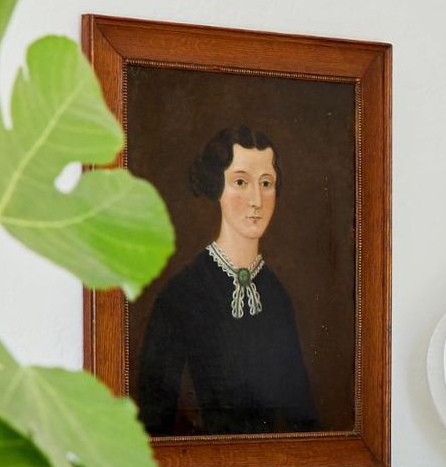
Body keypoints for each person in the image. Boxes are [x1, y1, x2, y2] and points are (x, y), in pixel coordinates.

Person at [135, 126, 318, 435]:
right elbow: (155, 421)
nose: (256, 200)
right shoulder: (181, 296)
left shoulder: (276, 297)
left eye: (266, 183)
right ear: (215, 187)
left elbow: (304, 419)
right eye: (241, 182)